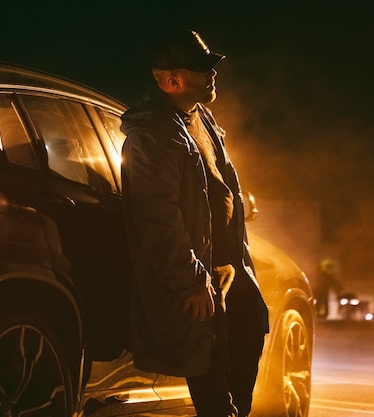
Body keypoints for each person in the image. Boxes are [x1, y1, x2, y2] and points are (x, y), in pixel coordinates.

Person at [120, 30, 269, 417]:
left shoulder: (200, 116)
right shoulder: (152, 134)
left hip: (228, 268)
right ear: (171, 80)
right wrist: (190, 279)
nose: (212, 74)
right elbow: (157, 217)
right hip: (199, 280)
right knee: (213, 378)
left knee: (251, 333)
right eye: (202, 69)